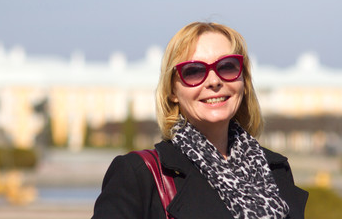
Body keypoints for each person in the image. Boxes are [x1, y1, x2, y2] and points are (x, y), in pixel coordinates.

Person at [91, 22, 308, 219]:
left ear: (243, 81)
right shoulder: (138, 175)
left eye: (227, 66)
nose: (214, 81)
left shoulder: (275, 170)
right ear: (172, 91)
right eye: (193, 71)